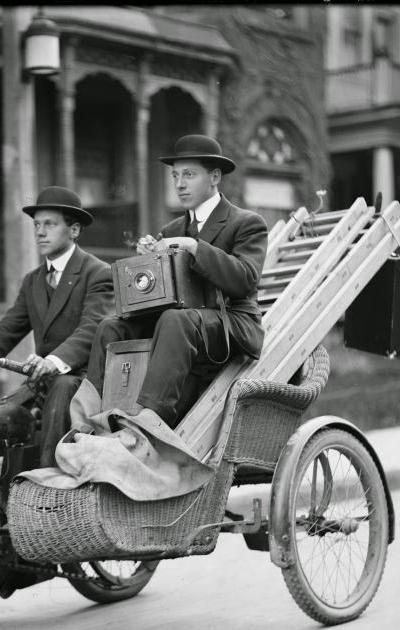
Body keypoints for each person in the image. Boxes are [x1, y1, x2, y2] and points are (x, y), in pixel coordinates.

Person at [86, 134, 269, 427]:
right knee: (111, 326)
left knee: (175, 320)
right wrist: (146, 261)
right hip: (183, 323)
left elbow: (246, 279)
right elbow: (163, 293)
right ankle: (91, 415)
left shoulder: (246, 222)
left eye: (189, 174)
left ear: (215, 176)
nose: (179, 183)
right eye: (175, 175)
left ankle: (149, 420)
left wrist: (194, 246)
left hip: (232, 323)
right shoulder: (172, 228)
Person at [0, 186, 113, 467]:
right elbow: (5, 330)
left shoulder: (97, 273)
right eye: (37, 225)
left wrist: (53, 362)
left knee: (61, 388)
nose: (40, 232)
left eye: (49, 224)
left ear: (74, 230)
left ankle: (49, 484)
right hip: (43, 383)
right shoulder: (33, 280)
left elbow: (92, 328)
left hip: (81, 382)